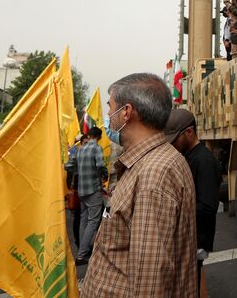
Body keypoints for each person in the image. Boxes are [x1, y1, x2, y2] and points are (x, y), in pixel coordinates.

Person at [82, 73, 197, 298]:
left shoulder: (154, 173)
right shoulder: (148, 164)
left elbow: (150, 283)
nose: (108, 116)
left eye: (110, 107)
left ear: (126, 112)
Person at [165, 109, 223, 298]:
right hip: (190, 233)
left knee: (192, 285)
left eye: (176, 138)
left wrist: (174, 210)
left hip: (198, 236)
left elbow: (208, 206)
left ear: (189, 132)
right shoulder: (190, 155)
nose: (173, 143)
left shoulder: (204, 160)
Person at [64, 126, 108, 266]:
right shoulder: (97, 148)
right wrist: (104, 175)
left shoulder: (80, 149)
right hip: (93, 190)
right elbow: (101, 165)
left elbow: (68, 166)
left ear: (88, 136)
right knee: (93, 221)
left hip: (81, 190)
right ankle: (82, 254)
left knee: (84, 220)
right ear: (99, 137)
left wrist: (79, 170)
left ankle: (82, 251)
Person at [65, 133, 84, 249]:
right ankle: (78, 242)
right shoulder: (75, 152)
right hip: (77, 189)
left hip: (80, 189)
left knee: (80, 217)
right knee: (78, 216)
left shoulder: (75, 152)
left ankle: (79, 242)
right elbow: (68, 167)